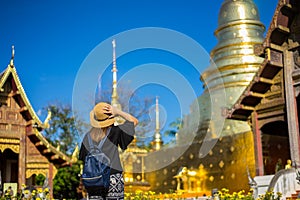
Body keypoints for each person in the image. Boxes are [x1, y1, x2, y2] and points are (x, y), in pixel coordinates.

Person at [79, 102, 138, 200]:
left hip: (93, 180)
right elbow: (134, 121)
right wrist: (118, 112)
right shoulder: (115, 131)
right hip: (113, 178)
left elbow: (82, 158)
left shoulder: (87, 137)